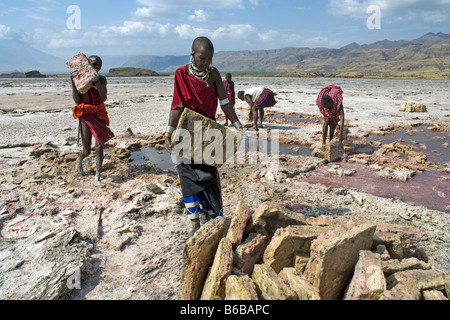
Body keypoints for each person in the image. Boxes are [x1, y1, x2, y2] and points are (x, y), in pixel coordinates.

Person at [164, 37, 243, 236]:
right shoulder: (181, 74)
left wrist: (238, 125)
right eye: (202, 58)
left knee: (209, 176)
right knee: (187, 177)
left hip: (209, 131)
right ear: (192, 54)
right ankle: (194, 223)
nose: (207, 63)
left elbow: (224, 102)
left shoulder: (214, 74)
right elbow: (177, 106)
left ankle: (213, 217)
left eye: (210, 59)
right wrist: (168, 133)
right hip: (186, 131)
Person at [71, 55, 114, 187]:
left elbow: (104, 97)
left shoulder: (101, 79)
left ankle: (98, 177)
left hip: (98, 113)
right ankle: (79, 160)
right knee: (86, 150)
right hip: (86, 114)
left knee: (100, 145)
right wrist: (72, 82)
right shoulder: (80, 79)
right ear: (87, 64)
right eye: (94, 65)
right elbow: (78, 101)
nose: (97, 68)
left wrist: (97, 84)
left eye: (99, 66)